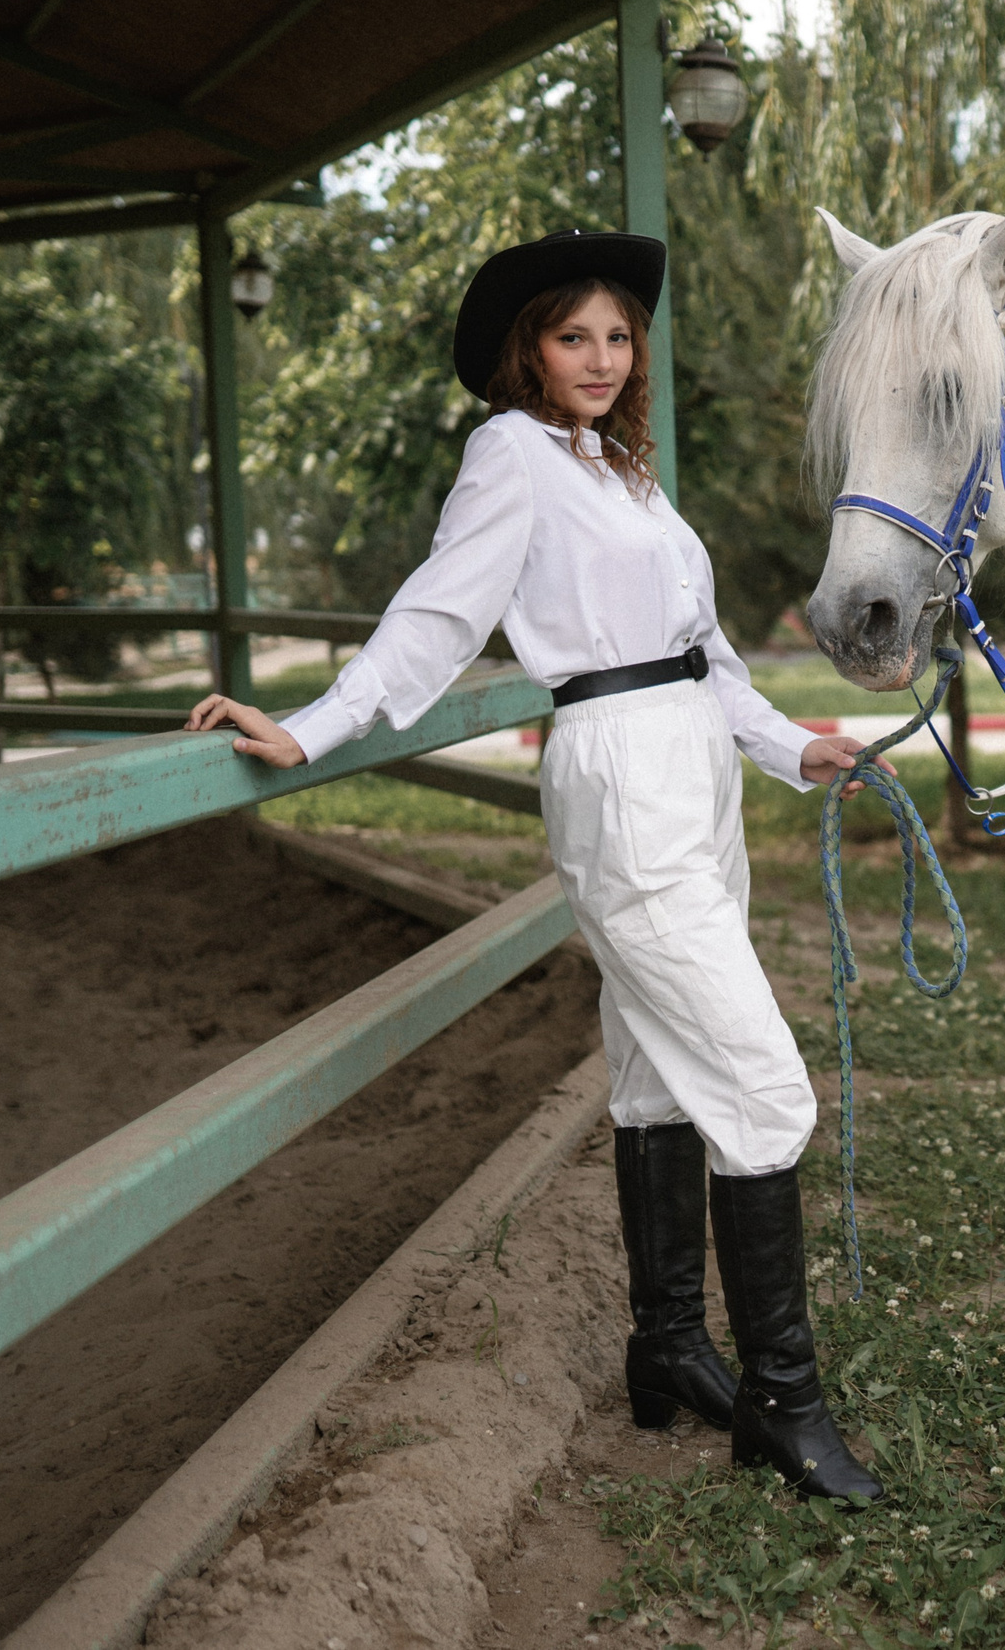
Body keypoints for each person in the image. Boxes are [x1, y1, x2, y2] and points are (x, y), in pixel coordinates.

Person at [185, 229, 885, 1506]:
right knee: (762, 1086)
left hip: (695, 766)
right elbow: (439, 613)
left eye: (619, 337)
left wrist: (795, 746)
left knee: (656, 1072)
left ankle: (667, 1345)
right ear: (531, 350)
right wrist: (316, 727)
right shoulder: (510, 453)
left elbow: (706, 653)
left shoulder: (627, 475)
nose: (603, 359)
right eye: (575, 338)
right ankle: (785, 1403)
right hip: (617, 770)